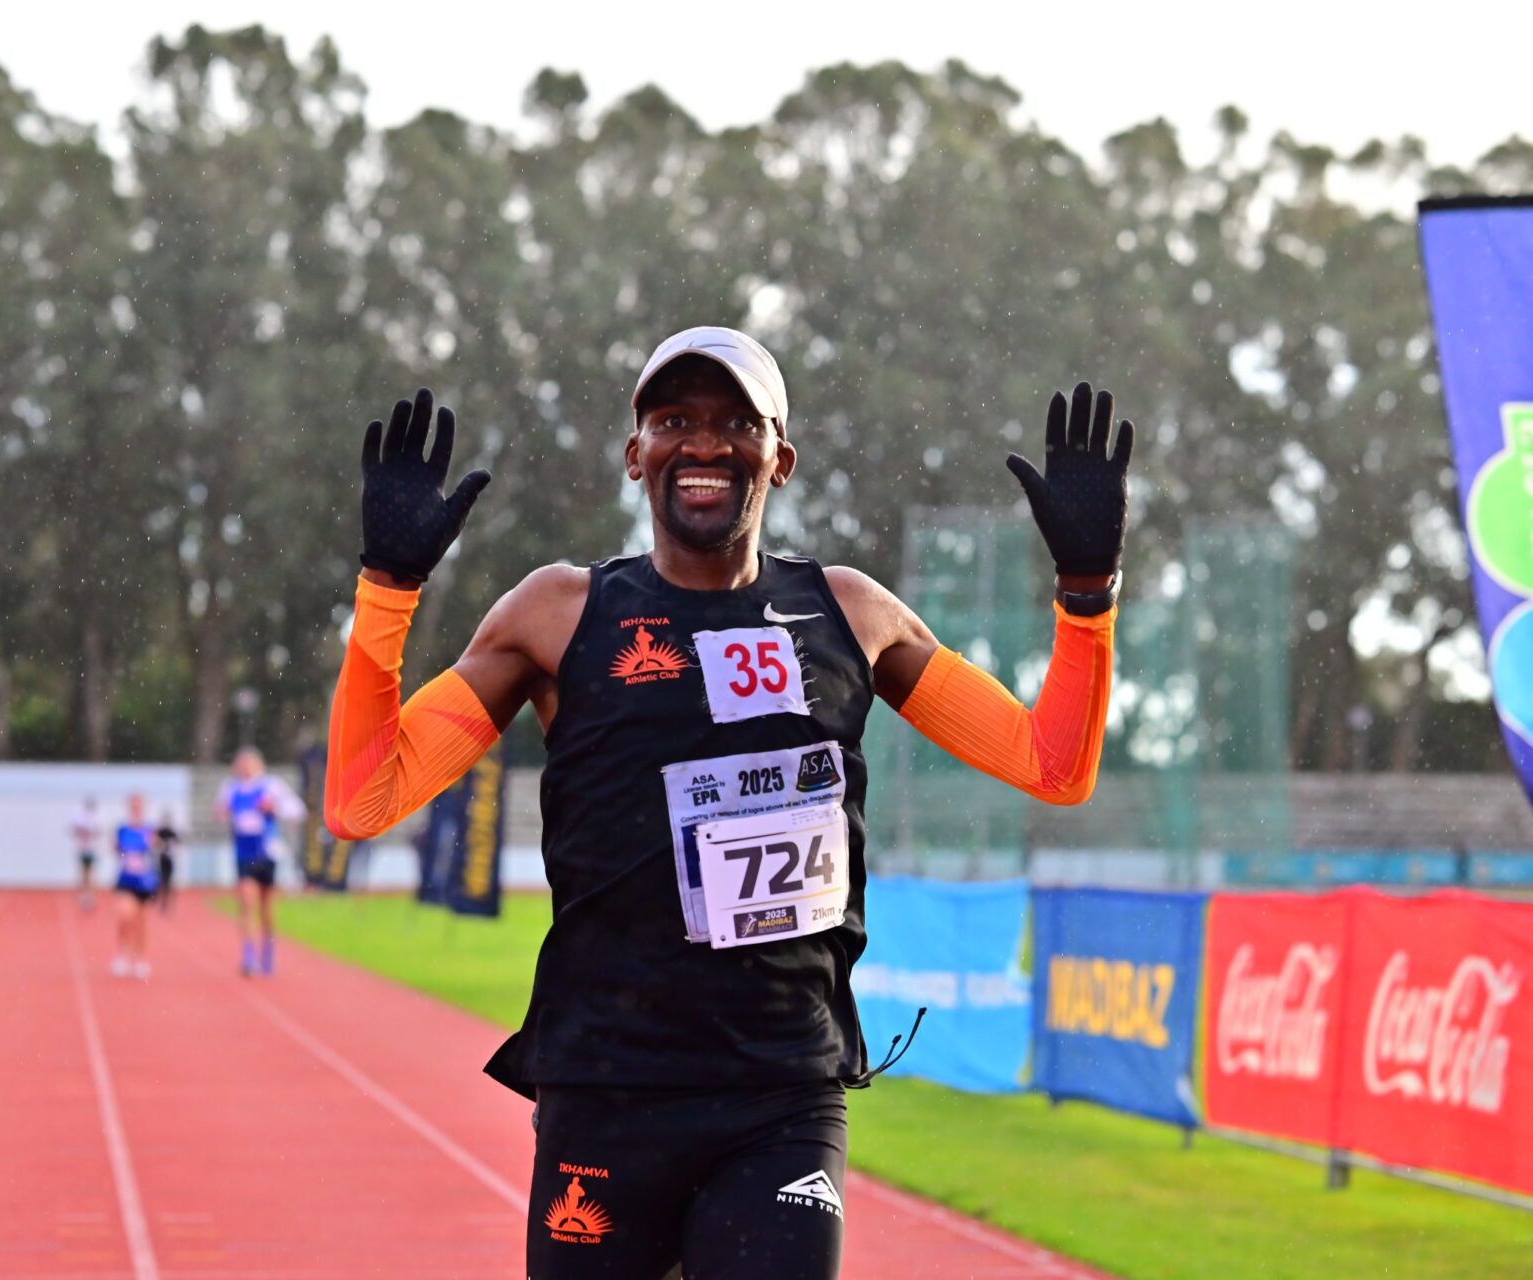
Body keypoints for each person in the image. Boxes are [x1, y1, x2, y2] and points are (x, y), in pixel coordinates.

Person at [323, 327, 1131, 1280]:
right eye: (674, 421)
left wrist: (1086, 594)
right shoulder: (559, 615)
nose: (704, 443)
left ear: (780, 457)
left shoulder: (851, 615)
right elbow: (365, 798)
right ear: (636, 454)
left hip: (781, 1096)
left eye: (738, 423)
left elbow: (1052, 766)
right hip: (608, 1091)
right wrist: (388, 590)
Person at [214, 749, 305, 976]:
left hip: (268, 854)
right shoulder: (230, 789)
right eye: (241, 764)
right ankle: (249, 956)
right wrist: (223, 813)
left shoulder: (271, 785)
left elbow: (298, 811)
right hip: (244, 855)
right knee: (247, 902)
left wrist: (274, 807)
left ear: (259, 765)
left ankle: (268, 951)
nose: (245, 768)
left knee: (267, 908)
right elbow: (219, 815)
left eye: (250, 764)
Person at [111, 793, 159, 980]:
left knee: (141, 921)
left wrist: (151, 846)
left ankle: (140, 957)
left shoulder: (150, 830)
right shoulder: (122, 829)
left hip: (144, 881)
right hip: (126, 879)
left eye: (139, 804)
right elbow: (117, 850)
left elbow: (154, 851)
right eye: (133, 804)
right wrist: (125, 854)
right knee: (124, 916)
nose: (136, 807)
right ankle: (122, 954)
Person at [71, 797, 100, 912]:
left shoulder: (96, 817)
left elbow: (99, 831)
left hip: (92, 850)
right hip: (83, 849)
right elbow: (74, 830)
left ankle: (90, 896)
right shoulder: (80, 817)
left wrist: (91, 832)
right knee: (83, 873)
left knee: (91, 873)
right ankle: (83, 895)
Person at [154, 811, 181, 916]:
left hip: (169, 859)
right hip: (161, 859)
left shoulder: (172, 832)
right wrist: (161, 845)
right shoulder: (160, 832)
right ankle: (161, 900)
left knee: (168, 881)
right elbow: (155, 843)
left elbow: (178, 844)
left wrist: (172, 848)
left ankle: (166, 903)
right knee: (161, 880)